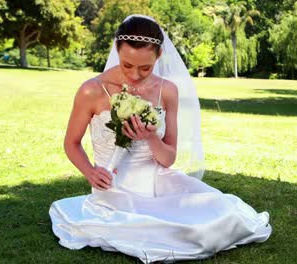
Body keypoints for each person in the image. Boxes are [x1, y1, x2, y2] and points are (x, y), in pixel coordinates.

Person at [49, 15, 272, 263]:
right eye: (127, 65)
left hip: (159, 179)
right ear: (116, 51)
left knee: (219, 213)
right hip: (113, 187)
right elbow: (71, 142)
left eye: (145, 68)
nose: (135, 75)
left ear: (159, 55)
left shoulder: (167, 91)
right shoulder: (91, 90)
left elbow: (168, 159)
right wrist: (90, 172)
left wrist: (151, 138)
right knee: (163, 230)